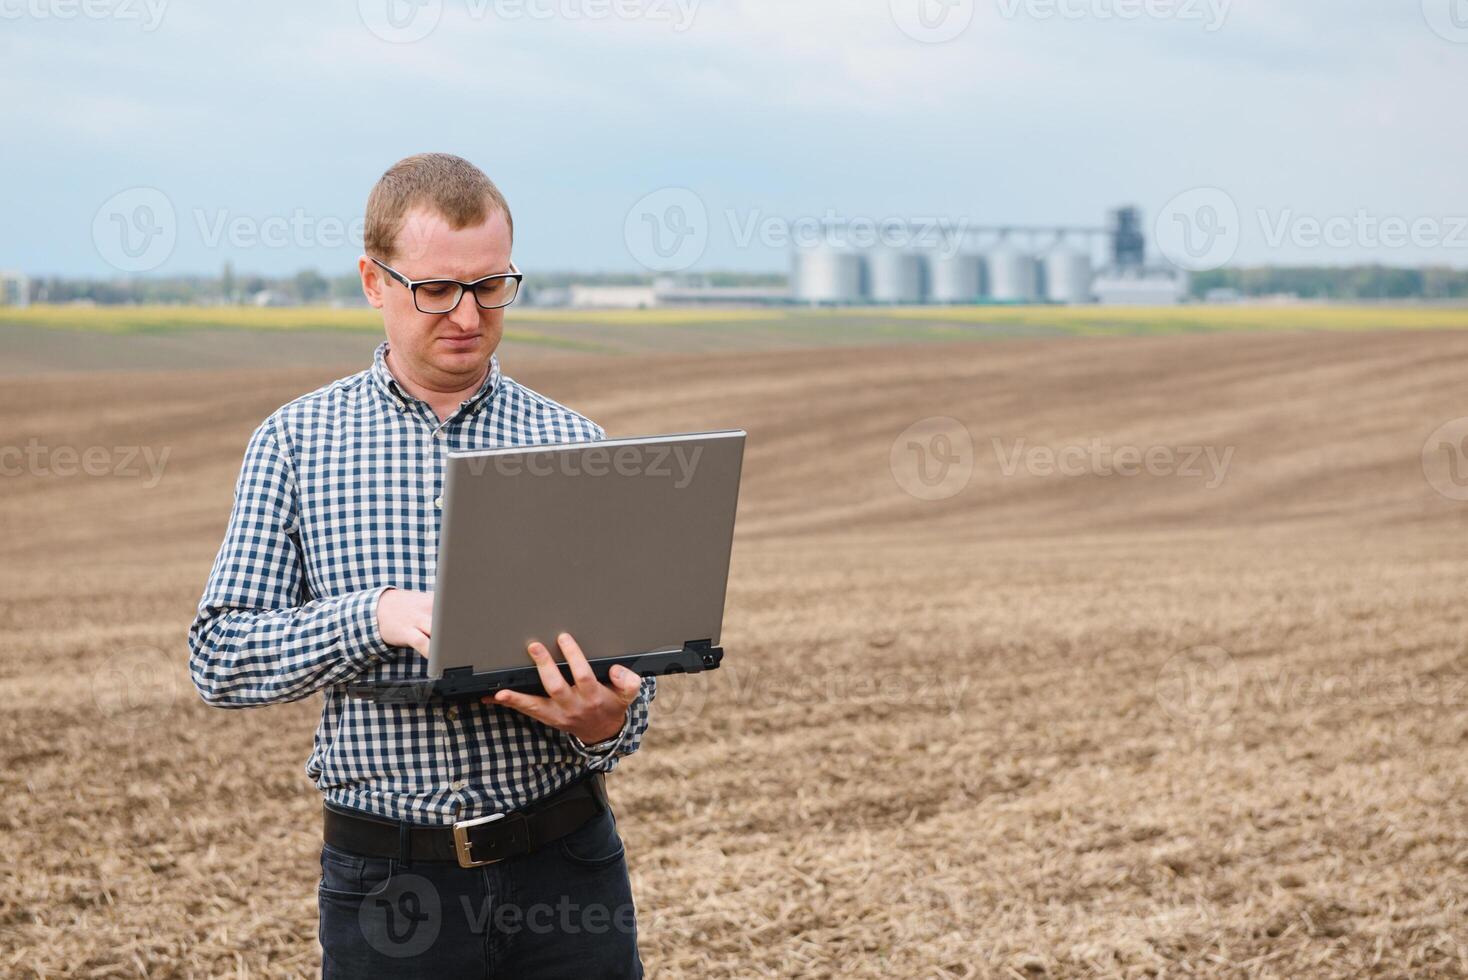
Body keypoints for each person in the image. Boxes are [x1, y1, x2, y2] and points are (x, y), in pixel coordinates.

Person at [187, 152, 654, 978]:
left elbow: (627, 676)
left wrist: (610, 722)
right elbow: (220, 659)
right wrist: (372, 616)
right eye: (436, 289)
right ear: (373, 282)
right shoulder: (295, 444)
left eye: (492, 285)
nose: (468, 314)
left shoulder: (575, 444)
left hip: (569, 868)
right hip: (389, 888)